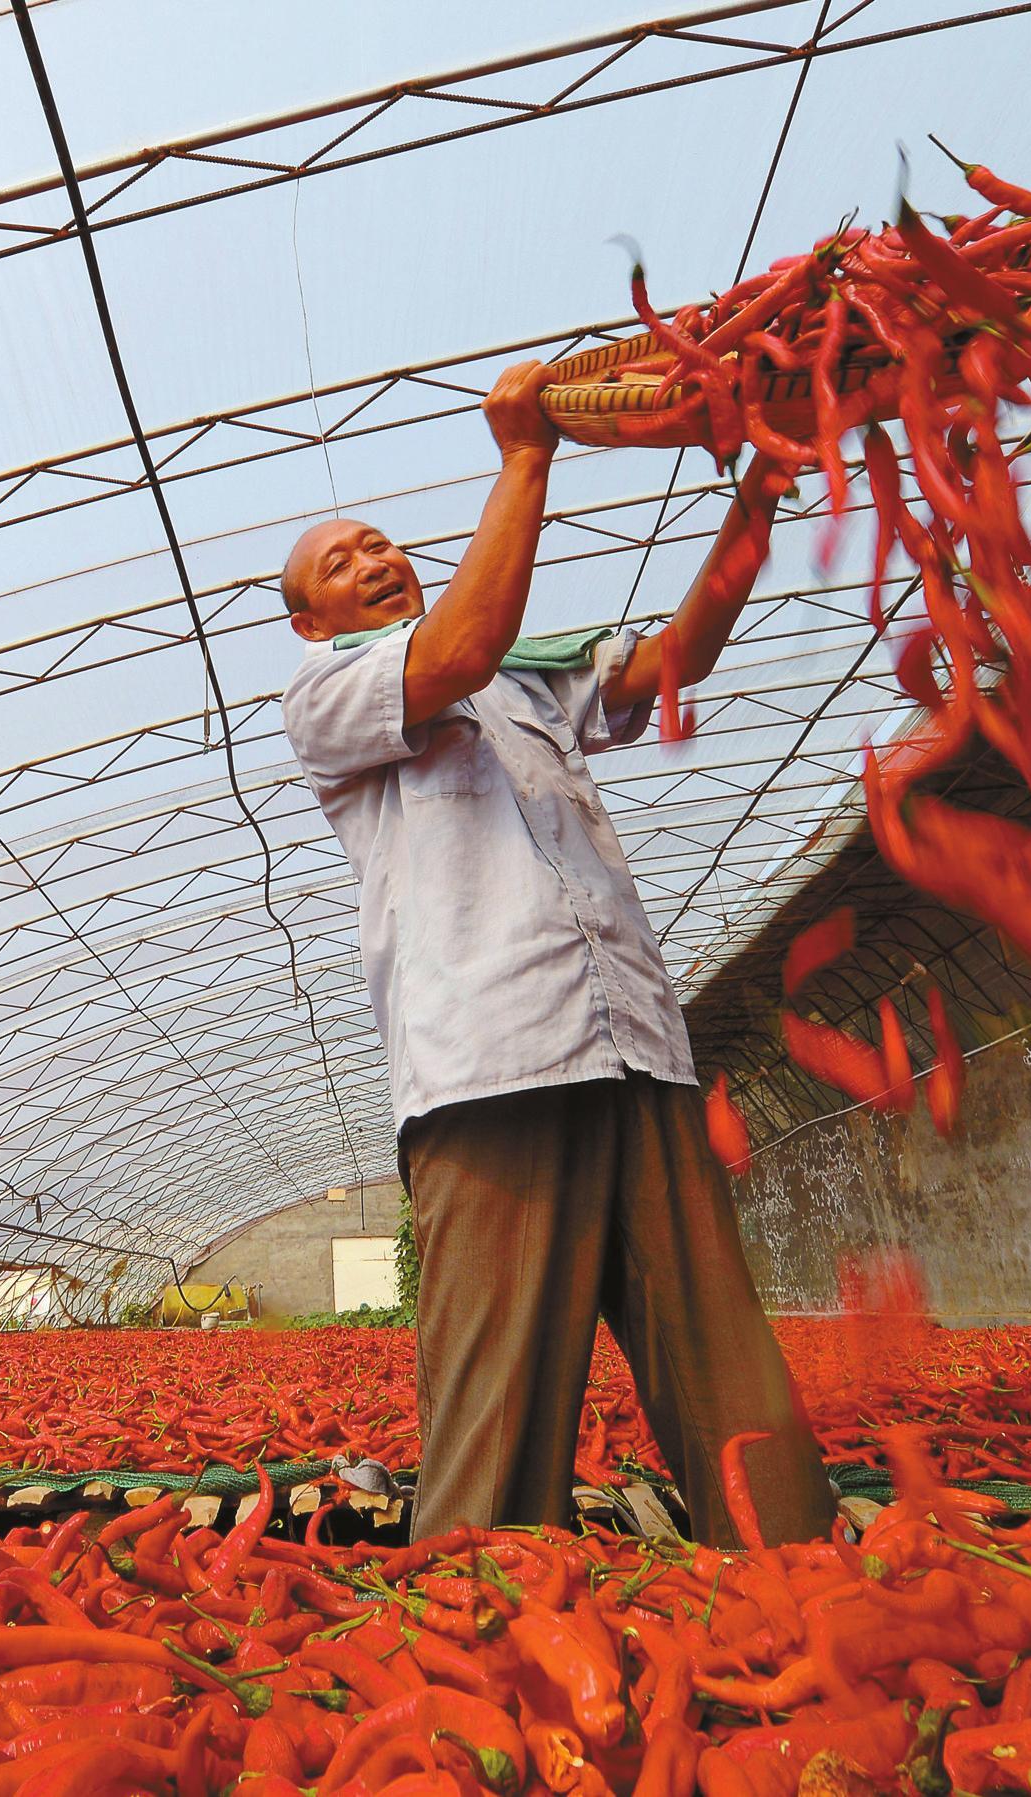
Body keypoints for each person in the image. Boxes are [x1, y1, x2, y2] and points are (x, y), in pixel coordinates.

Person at [277, 359, 833, 1547]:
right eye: (341, 563)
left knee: (725, 1367)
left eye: (380, 544)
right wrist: (527, 453)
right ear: (309, 620)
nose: (374, 560)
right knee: (500, 1400)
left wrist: (759, 493)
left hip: (636, 1051)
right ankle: (481, 1634)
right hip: (492, 1065)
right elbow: (464, 645)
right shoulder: (328, 698)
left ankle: (800, 1588)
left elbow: (674, 662)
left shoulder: (526, 687)